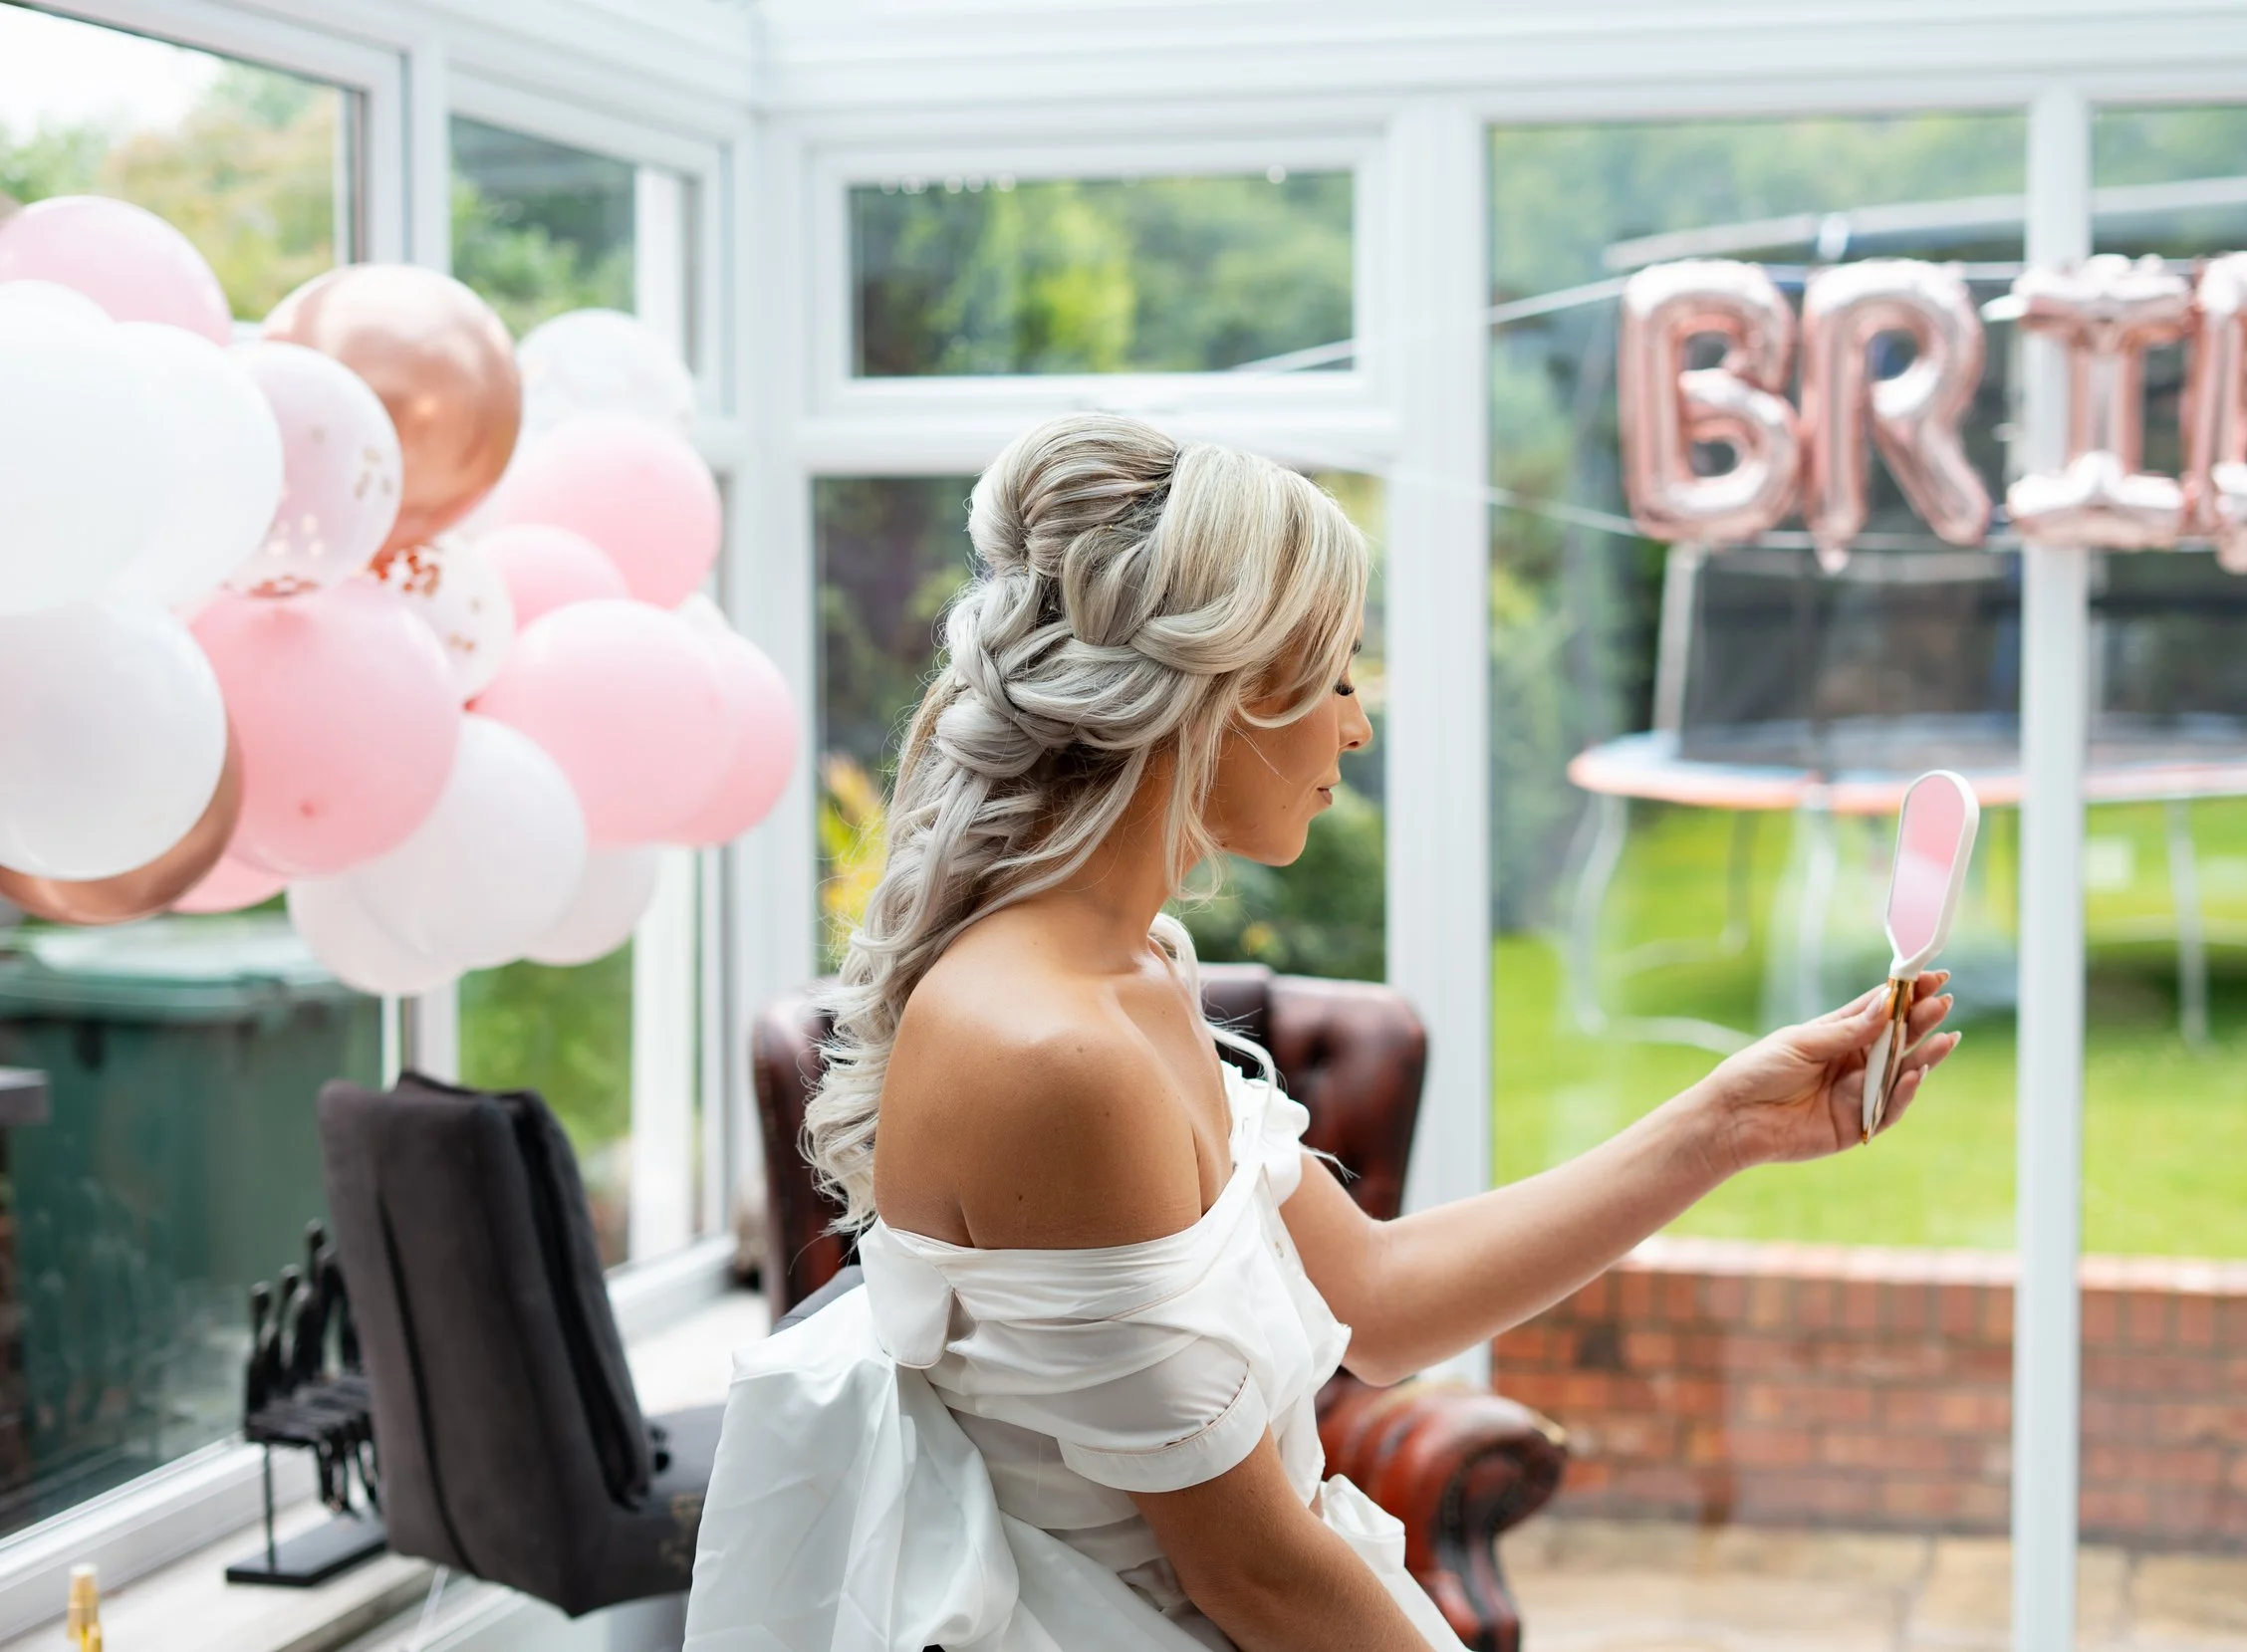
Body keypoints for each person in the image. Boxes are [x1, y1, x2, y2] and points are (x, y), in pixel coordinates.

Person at [683, 414, 1959, 1652]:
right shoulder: (1055, 1060)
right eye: (1336, 675)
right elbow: (1253, 1574)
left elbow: (1381, 1302)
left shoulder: (1134, 972)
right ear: (1218, 696)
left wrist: (1728, 1121)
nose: (1356, 722)